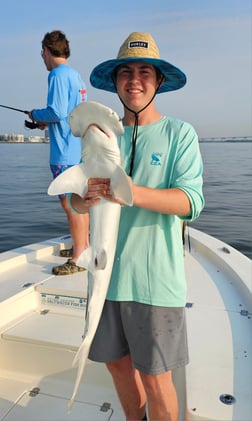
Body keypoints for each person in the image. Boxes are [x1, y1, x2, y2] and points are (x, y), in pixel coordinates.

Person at [70, 32, 205, 420]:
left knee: (156, 378)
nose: (134, 79)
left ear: (159, 81)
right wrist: (88, 195)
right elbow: (79, 198)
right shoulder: (102, 134)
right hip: (105, 275)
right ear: (114, 81)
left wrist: (125, 190)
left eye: (145, 72)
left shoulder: (180, 134)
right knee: (115, 365)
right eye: (125, 71)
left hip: (155, 282)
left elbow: (190, 202)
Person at [28, 30, 89, 275]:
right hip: (78, 150)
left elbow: (56, 111)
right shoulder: (75, 75)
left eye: (41, 54)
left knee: (70, 205)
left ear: (45, 51)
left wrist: (36, 115)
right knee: (80, 204)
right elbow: (69, 113)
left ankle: (78, 257)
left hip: (64, 152)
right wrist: (47, 122)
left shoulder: (57, 75)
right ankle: (82, 246)